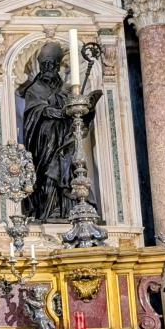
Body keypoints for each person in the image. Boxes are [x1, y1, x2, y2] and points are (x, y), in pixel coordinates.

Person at [18, 41, 99, 221]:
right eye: (45, 65)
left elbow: (77, 117)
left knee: (69, 171)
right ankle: (49, 210)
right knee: (48, 173)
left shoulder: (64, 89)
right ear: (40, 67)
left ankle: (69, 210)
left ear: (57, 67)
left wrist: (85, 110)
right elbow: (35, 111)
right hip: (45, 140)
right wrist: (58, 112)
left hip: (65, 138)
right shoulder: (34, 89)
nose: (49, 69)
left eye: (52, 65)